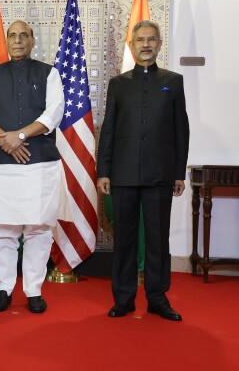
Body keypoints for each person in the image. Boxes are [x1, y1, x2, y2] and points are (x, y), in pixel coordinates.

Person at [0, 20, 70, 313]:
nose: (18, 40)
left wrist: (20, 135)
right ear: (6, 41)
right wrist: (6, 140)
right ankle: (3, 288)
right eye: (12, 36)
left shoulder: (49, 73)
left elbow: (54, 111)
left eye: (23, 35)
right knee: (2, 231)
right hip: (0, 164)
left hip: (39, 164)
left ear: (32, 41)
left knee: (38, 231)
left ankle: (33, 291)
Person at [97, 20, 189, 321]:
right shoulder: (118, 83)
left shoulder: (173, 81)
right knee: (123, 239)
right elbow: (108, 129)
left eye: (151, 39)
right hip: (122, 174)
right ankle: (123, 298)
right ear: (132, 44)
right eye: (140, 40)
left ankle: (157, 298)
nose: (146, 44)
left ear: (159, 44)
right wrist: (104, 170)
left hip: (160, 174)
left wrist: (179, 172)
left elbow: (181, 130)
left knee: (158, 239)